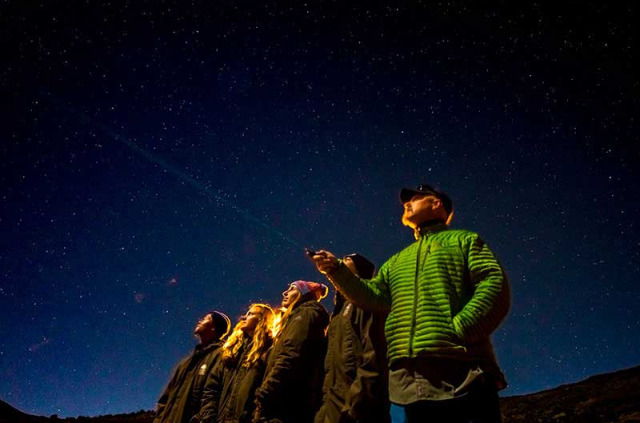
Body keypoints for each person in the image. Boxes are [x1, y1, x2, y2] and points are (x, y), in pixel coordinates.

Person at [312, 184, 511, 423]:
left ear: (436, 203)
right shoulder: (396, 261)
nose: (406, 203)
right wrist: (336, 269)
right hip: (412, 384)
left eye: (415, 198)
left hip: (464, 373)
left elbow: (493, 282)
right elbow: (372, 296)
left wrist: (459, 329)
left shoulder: (465, 240)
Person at [315, 253, 391, 423]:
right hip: (331, 406)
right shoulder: (337, 314)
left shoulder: (366, 301)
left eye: (347, 259)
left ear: (358, 271)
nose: (341, 260)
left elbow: (375, 356)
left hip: (353, 409)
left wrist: (356, 406)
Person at [254, 281, 330, 423]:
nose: (285, 293)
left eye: (292, 289)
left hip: (284, 406)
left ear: (304, 294)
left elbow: (291, 356)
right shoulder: (294, 318)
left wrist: (265, 393)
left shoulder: (306, 314)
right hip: (279, 403)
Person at [199, 304, 275, 423]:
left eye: (250, 314)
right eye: (245, 314)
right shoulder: (231, 351)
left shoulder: (268, 350)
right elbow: (211, 388)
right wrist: (208, 418)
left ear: (262, 319)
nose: (243, 317)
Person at [154, 311, 231, 423]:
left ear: (214, 328)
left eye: (205, 319)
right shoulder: (185, 363)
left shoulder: (221, 356)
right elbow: (165, 398)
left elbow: (215, 395)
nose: (200, 320)